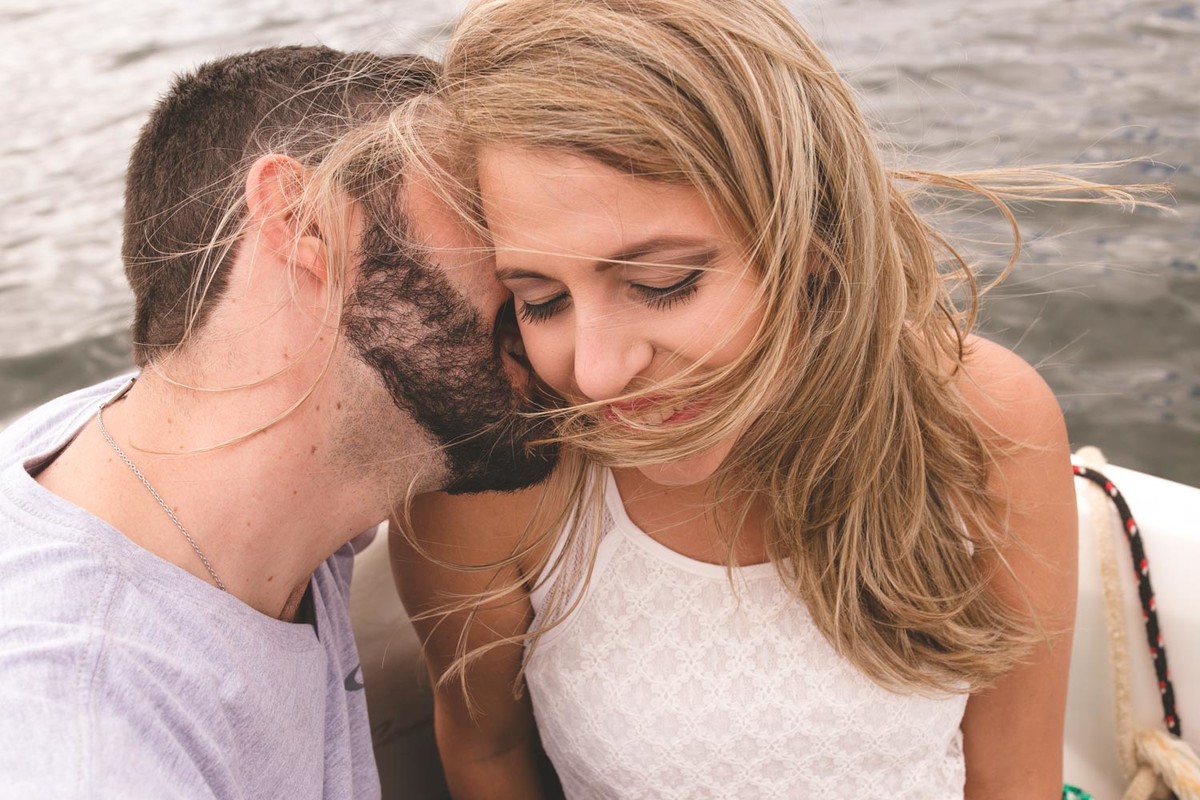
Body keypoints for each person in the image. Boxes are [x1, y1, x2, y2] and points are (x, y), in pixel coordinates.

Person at [387, 1, 1159, 798]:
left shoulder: (983, 420)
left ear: (814, 243)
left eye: (663, 283)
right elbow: (486, 754)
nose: (598, 372)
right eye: (540, 298)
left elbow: (1014, 779)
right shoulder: (498, 485)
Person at [0, 46, 554, 797]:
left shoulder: (190, 441)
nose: (531, 257)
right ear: (306, 224)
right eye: (480, 210)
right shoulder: (88, 736)